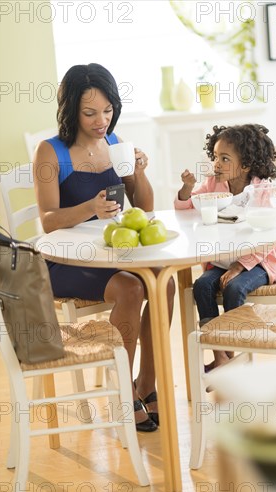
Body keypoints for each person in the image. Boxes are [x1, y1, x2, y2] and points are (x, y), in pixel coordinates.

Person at [34, 63, 175, 432]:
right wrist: (89, 210)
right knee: (131, 288)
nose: (102, 121)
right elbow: (47, 219)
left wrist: (139, 173)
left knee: (168, 281)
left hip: (111, 252)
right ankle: (122, 389)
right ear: (71, 112)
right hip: (65, 261)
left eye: (109, 110)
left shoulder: (115, 144)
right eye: (90, 113)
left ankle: (148, 382)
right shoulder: (51, 152)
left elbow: (143, 208)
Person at [175, 124, 276, 369]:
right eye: (215, 157)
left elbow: (270, 236)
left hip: (260, 260)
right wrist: (187, 189)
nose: (216, 164)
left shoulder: (261, 191)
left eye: (224, 159)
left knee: (234, 288)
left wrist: (240, 266)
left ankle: (232, 350)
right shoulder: (213, 185)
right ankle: (220, 354)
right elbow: (187, 207)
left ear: (246, 164)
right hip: (224, 258)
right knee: (202, 285)